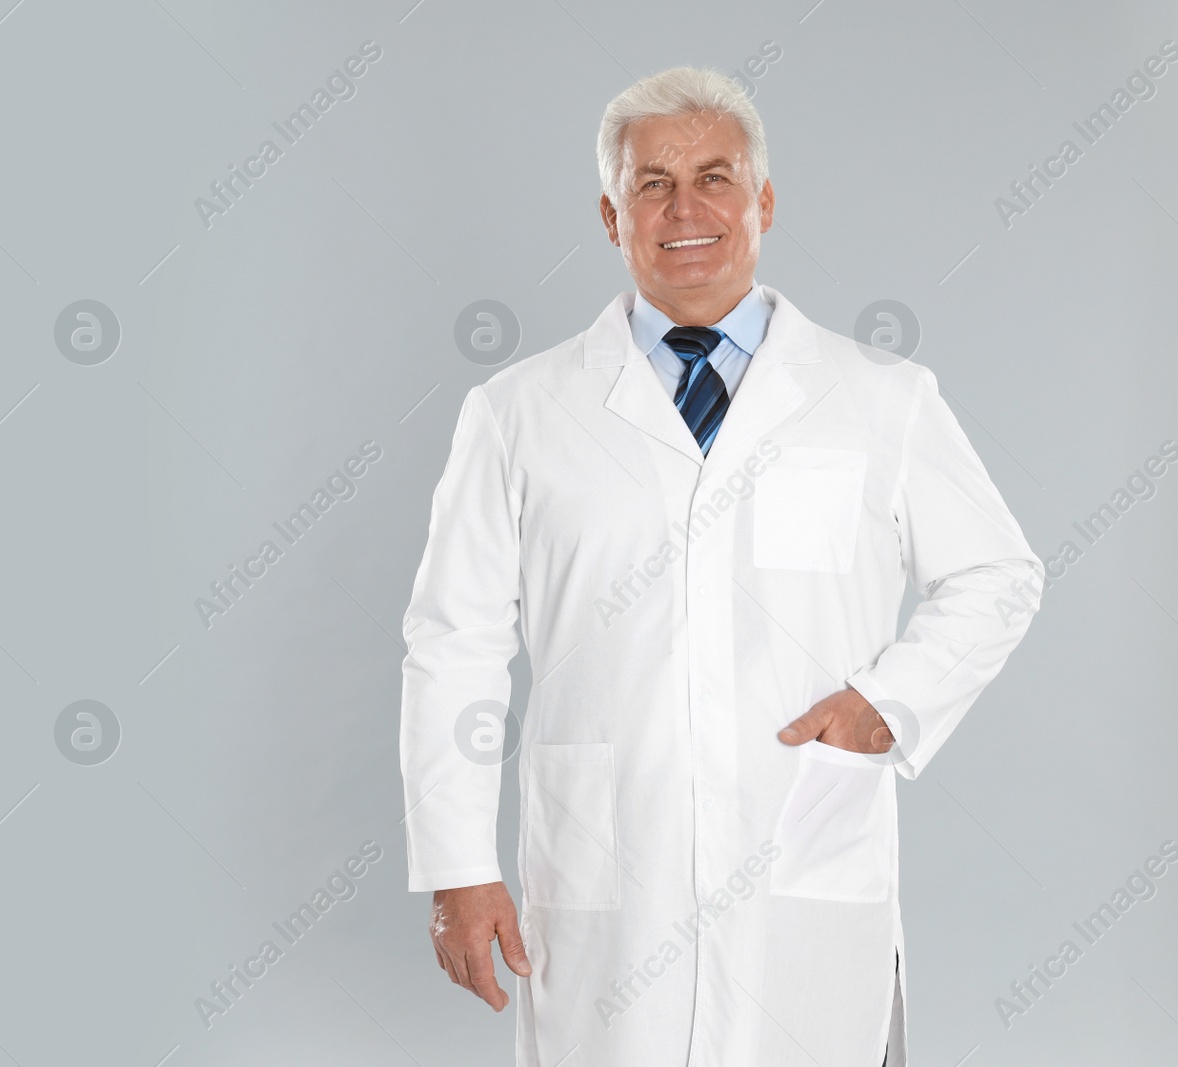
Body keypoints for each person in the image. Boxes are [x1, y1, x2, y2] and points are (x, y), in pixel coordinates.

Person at [400, 65, 1043, 1066]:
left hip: (801, 844)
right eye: (650, 182)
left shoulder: (880, 398)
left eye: (715, 175)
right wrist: (456, 865)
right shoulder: (518, 412)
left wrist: (891, 697)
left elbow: (998, 574)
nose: (684, 206)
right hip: (606, 866)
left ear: (764, 202)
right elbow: (454, 640)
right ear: (611, 213)